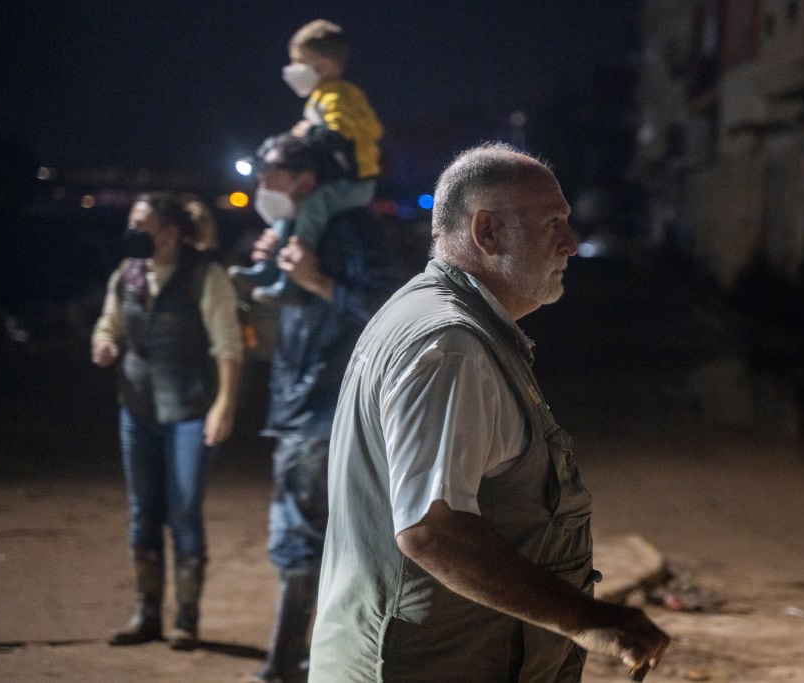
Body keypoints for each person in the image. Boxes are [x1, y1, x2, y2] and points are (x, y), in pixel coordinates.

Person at [308, 142, 670, 681]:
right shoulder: (451, 346)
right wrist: (584, 619)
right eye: (552, 224)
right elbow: (433, 531)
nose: (570, 244)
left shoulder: (431, 314)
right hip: (431, 664)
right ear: (488, 233)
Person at [245, 132, 397, 682]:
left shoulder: (349, 228)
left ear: (306, 181)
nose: (262, 188)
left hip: (328, 410)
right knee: (318, 539)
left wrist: (316, 280)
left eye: (271, 178)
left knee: (302, 540)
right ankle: (317, 659)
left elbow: (385, 308)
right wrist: (278, 273)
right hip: (299, 404)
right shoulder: (299, 228)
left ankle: (282, 667)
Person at [91, 192, 243, 650]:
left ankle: (186, 621)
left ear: (170, 232)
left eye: (143, 224)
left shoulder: (205, 276)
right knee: (143, 513)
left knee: (184, 511)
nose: (133, 231)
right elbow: (109, 324)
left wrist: (224, 407)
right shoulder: (127, 275)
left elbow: (228, 347)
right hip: (137, 408)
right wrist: (103, 343)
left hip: (189, 412)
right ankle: (147, 615)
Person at [231, 18, 384, 305]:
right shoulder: (320, 97)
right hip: (339, 179)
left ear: (323, 64)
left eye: (298, 61)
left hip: (354, 184)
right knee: (292, 209)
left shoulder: (339, 96)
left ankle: (292, 280)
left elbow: (340, 134)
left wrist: (309, 132)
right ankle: (270, 268)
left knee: (312, 207)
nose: (291, 69)